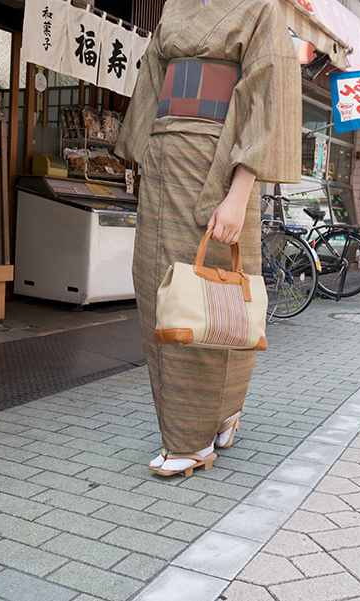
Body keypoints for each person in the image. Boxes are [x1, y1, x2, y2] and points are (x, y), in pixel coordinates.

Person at [114, 0, 301, 476]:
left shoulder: (260, 8)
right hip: (165, 165)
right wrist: (147, 158)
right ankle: (212, 418)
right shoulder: (175, 6)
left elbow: (267, 95)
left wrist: (239, 194)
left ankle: (192, 441)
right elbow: (153, 82)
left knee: (218, 294)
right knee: (159, 291)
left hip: (219, 166)